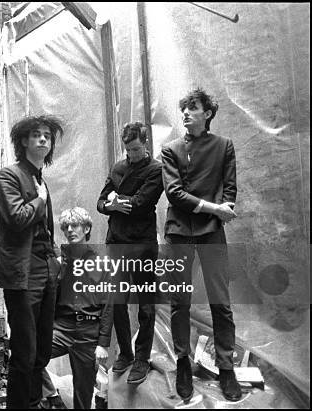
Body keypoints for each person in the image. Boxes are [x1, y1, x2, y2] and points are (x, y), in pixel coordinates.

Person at [161, 88, 241, 402]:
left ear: (207, 113)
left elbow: (230, 188)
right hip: (179, 231)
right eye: (183, 109)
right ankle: (182, 362)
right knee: (180, 302)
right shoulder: (171, 149)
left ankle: (226, 367)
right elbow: (175, 194)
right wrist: (214, 209)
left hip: (211, 232)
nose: (185, 113)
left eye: (193, 108)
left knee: (221, 302)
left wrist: (226, 208)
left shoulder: (224, 146)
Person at [0, 114, 63, 409]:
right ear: (24, 141)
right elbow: (17, 218)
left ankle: (34, 402)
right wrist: (41, 200)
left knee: (42, 350)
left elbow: (43, 230)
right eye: (36, 135)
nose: (43, 139)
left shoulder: (38, 179)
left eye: (47, 135)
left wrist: (56, 257)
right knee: (24, 351)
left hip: (45, 270)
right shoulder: (9, 176)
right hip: (22, 274)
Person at [96, 122, 164, 384]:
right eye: (128, 149)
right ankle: (125, 352)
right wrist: (113, 204)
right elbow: (101, 203)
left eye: (136, 149)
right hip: (116, 242)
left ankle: (142, 359)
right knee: (118, 302)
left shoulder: (155, 169)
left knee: (146, 305)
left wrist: (118, 202)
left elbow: (141, 203)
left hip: (142, 244)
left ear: (145, 144)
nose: (132, 154)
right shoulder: (118, 167)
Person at [39, 207, 111, 409]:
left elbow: (108, 305)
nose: (70, 230)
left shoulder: (102, 263)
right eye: (66, 227)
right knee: (29, 355)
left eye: (76, 225)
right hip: (61, 328)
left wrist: (103, 343)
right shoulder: (59, 264)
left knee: (84, 391)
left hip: (88, 333)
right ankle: (52, 397)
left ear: (87, 228)